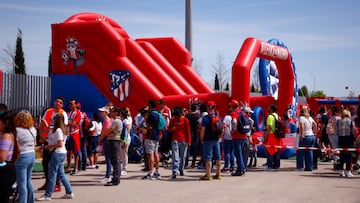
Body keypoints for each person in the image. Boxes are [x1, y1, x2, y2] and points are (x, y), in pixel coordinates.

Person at [36, 114, 74, 201]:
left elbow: (60, 143)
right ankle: (69, 192)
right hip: (60, 153)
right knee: (61, 173)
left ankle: (48, 195)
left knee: (52, 174)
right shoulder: (61, 130)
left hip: (57, 153)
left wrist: (49, 146)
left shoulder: (58, 131)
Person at [38, 97, 68, 192]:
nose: (58, 103)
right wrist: (41, 136)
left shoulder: (63, 114)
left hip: (56, 142)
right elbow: (42, 124)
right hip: (47, 140)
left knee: (55, 165)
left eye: (60, 102)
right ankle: (48, 182)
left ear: (62, 105)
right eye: (56, 101)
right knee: (45, 162)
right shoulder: (49, 111)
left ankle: (57, 184)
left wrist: (61, 142)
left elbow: (64, 128)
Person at [14, 110, 37, 203]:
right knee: (28, 180)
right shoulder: (33, 129)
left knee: (22, 183)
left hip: (22, 155)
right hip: (31, 154)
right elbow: (35, 143)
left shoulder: (17, 131)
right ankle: (30, 200)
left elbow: (17, 147)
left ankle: (22, 201)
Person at [199, 101, 222, 180]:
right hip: (216, 139)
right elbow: (222, 128)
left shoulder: (206, 118)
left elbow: (203, 129)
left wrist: (201, 138)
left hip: (208, 140)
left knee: (208, 158)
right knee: (217, 157)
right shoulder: (218, 117)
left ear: (208, 108)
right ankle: (218, 174)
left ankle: (208, 175)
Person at [100, 106, 122, 186]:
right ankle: (115, 178)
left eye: (112, 111)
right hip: (113, 140)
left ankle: (116, 179)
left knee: (115, 160)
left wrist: (108, 132)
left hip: (114, 141)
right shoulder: (115, 120)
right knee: (114, 160)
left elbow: (107, 131)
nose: (110, 113)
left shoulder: (116, 121)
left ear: (116, 112)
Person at [142, 99, 162, 180]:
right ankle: (157, 171)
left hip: (150, 136)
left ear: (150, 105)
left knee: (150, 155)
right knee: (156, 154)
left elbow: (149, 126)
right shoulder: (158, 113)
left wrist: (143, 127)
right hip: (157, 135)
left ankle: (151, 172)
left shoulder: (151, 114)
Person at [169, 107, 191, 179]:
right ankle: (174, 172)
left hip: (183, 140)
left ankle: (181, 169)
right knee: (175, 156)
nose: (176, 118)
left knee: (183, 157)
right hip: (175, 140)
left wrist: (189, 141)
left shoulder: (185, 120)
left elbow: (188, 131)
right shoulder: (172, 120)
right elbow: (169, 128)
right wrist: (172, 129)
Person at [0, 111, 16, 203]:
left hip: (4, 171)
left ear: (5, 123)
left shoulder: (6, 136)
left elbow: (2, 157)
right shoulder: (9, 134)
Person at [230, 100, 248, 176]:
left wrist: (233, 131)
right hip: (243, 135)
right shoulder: (242, 112)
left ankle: (240, 169)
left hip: (237, 136)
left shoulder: (234, 113)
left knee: (238, 153)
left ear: (232, 106)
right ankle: (242, 168)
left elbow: (234, 122)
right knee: (241, 153)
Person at [337, 109, 356, 178]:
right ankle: (348, 171)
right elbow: (353, 131)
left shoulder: (339, 121)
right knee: (349, 155)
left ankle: (341, 171)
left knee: (342, 155)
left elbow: (336, 131)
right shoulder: (351, 121)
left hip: (341, 138)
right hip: (349, 139)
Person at [263, 104, 283, 171]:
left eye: (269, 107)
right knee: (276, 151)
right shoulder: (278, 116)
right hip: (278, 136)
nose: (268, 108)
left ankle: (269, 166)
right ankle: (277, 166)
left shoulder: (270, 116)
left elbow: (270, 127)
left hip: (272, 135)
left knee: (270, 151)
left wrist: (266, 135)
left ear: (271, 109)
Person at [66, 99, 81, 175]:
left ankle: (76, 168)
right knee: (69, 151)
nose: (70, 105)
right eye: (69, 104)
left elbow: (73, 124)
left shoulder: (77, 113)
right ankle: (68, 167)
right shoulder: (68, 113)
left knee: (76, 151)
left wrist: (67, 123)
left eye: (72, 104)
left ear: (76, 105)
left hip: (74, 134)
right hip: (68, 134)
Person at [97, 105, 113, 183]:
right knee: (108, 158)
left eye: (102, 112)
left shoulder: (107, 121)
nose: (100, 113)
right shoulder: (107, 120)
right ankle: (108, 174)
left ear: (106, 113)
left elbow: (105, 133)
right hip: (107, 139)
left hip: (106, 140)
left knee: (108, 158)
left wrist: (100, 140)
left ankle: (108, 176)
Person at [185, 104, 201, 168]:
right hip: (196, 133)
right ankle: (193, 162)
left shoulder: (187, 116)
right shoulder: (198, 116)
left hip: (189, 132)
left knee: (187, 147)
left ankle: (186, 162)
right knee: (195, 147)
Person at [119, 108, 132, 176]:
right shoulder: (123, 120)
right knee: (121, 154)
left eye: (120, 113)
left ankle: (124, 169)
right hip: (122, 138)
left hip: (125, 139)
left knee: (124, 154)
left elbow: (128, 130)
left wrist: (124, 140)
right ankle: (121, 168)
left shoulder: (126, 121)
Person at [77, 102, 88, 171]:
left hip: (78, 134)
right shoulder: (84, 114)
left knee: (78, 150)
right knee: (84, 150)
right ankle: (84, 165)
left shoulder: (77, 115)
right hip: (84, 134)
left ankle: (79, 165)